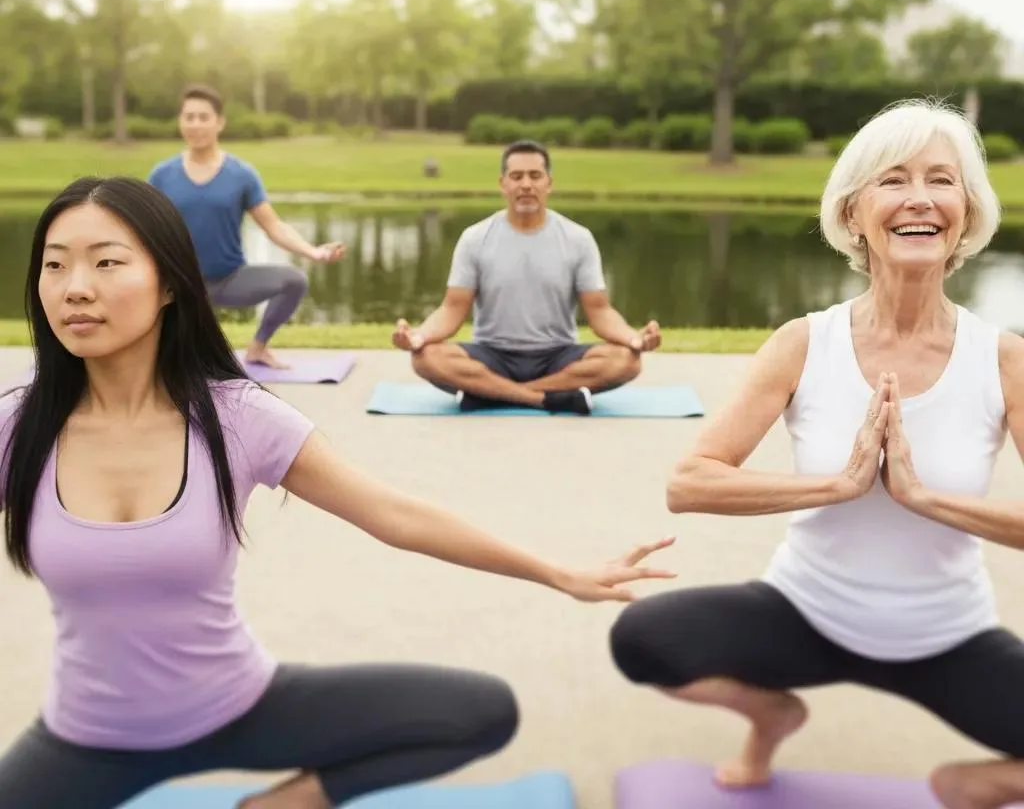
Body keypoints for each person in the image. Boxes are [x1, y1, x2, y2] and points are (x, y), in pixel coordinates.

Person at [0, 175, 675, 809]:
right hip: (85, 741)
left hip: (238, 707)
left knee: (479, 711)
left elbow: (394, 513)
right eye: (54, 265)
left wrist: (559, 572)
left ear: (170, 284)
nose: (74, 288)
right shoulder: (19, 427)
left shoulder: (236, 417)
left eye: (106, 262)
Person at [609, 99, 1024, 809]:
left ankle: (972, 786)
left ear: (967, 208)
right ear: (854, 212)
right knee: (644, 639)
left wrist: (924, 499)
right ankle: (772, 714)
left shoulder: (1003, 358)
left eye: (941, 180)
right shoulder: (805, 343)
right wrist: (838, 485)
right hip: (806, 612)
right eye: (893, 180)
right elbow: (690, 482)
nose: (919, 198)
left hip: (945, 635)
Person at [391, 140, 661, 414]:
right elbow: (452, 308)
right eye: (516, 176)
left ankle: (492, 393)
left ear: (549, 183)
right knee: (426, 357)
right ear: (503, 183)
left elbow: (600, 311)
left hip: (558, 355)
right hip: (492, 355)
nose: (526, 185)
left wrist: (633, 338)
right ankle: (547, 398)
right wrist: (419, 336)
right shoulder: (475, 239)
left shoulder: (578, 239)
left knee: (627, 360)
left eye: (535, 176)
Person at [147, 84, 346, 370]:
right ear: (180, 122)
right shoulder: (162, 175)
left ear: (220, 122)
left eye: (203, 117)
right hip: (178, 287)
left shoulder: (241, 175)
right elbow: (141, 229)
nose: (195, 124)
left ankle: (258, 348)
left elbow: (273, 225)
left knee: (293, 281)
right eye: (188, 117)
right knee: (179, 365)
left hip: (229, 279)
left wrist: (313, 252)